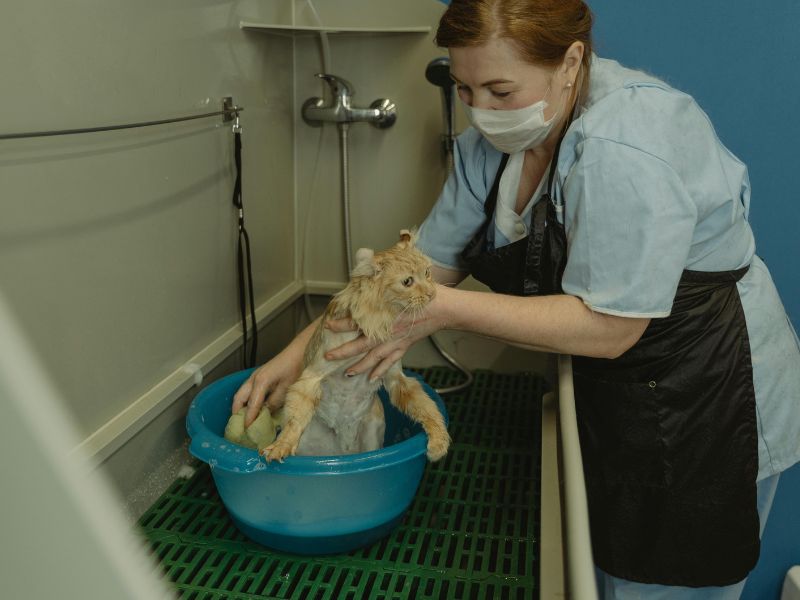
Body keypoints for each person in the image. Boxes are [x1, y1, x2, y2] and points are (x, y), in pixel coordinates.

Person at [233, 0, 800, 597]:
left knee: (664, 584)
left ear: (571, 60)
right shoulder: (489, 149)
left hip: (706, 398)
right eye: (465, 88)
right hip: (618, 388)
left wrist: (440, 311)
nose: (480, 112)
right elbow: (417, 272)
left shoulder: (626, 141)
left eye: (500, 90)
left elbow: (610, 327)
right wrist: (296, 356)